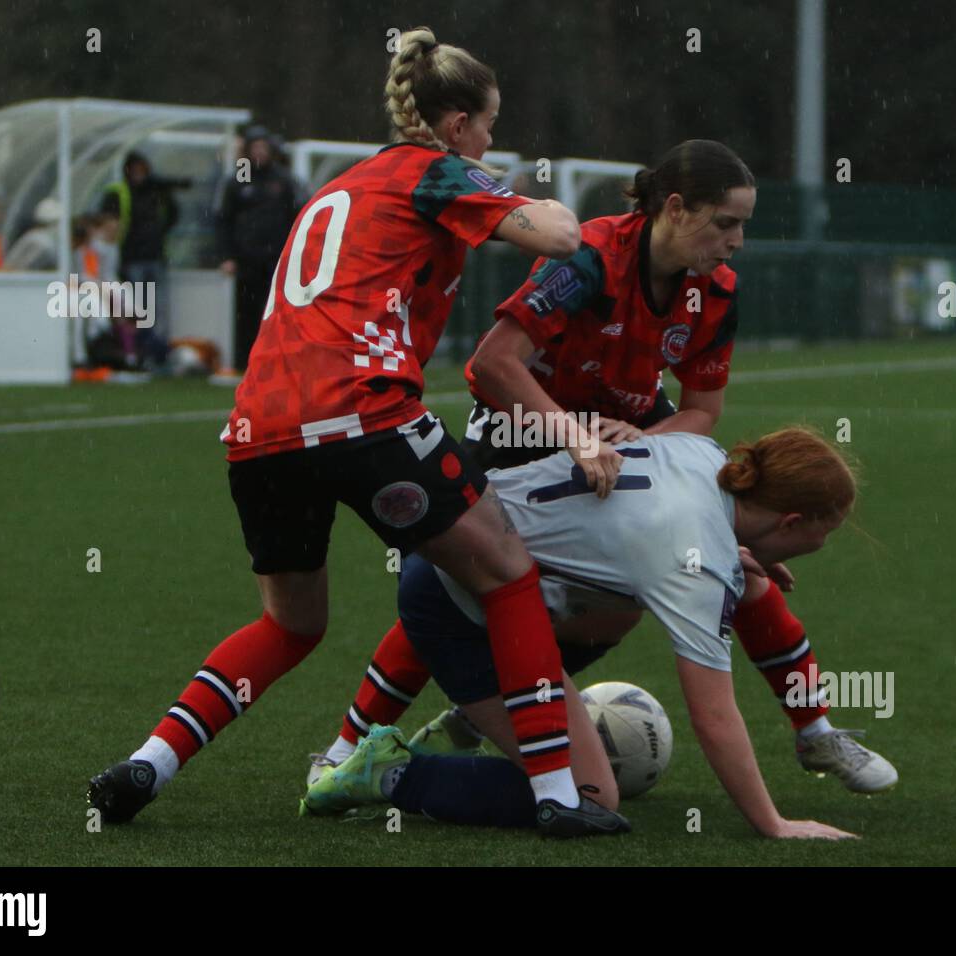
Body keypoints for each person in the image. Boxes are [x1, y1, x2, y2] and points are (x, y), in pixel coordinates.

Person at [87, 26, 627, 836]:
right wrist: (547, 204)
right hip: (362, 413)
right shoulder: (438, 172)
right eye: (487, 124)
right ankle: (556, 795)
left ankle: (148, 762)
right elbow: (557, 239)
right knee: (509, 574)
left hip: (258, 427)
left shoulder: (342, 186)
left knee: (291, 623)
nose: (491, 141)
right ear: (454, 127)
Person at [320, 142, 897, 793]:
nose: (737, 241)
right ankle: (348, 746)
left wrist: (663, 465)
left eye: (744, 225)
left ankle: (815, 734)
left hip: (627, 428)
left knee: (740, 579)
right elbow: (492, 363)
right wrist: (572, 437)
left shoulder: (717, 291)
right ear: (675, 209)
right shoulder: (590, 260)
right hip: (523, 428)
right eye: (726, 223)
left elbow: (701, 413)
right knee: (462, 585)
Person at [304, 427, 860, 841]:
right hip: (456, 603)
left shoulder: (704, 455)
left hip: (463, 541)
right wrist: (773, 823)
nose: (824, 545)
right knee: (591, 797)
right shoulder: (697, 565)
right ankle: (391, 773)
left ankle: (503, 716)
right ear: (792, 522)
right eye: (826, 532)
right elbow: (713, 716)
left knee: (622, 609)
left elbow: (642, 523)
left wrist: (733, 558)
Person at [215, 124, 302, 370]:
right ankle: (245, 363)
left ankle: (274, 363)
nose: (260, 153)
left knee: (275, 312)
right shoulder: (241, 177)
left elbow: (296, 214)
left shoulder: (283, 179)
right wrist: (227, 256)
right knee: (246, 313)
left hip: (276, 259)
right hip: (247, 259)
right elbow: (224, 220)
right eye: (255, 147)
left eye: (264, 147)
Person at [100, 151, 185, 353]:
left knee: (157, 307)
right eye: (135, 169)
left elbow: (172, 215)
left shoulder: (154, 193)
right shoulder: (119, 191)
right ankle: (139, 348)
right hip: (132, 257)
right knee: (138, 308)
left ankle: (158, 348)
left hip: (155, 256)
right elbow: (110, 220)